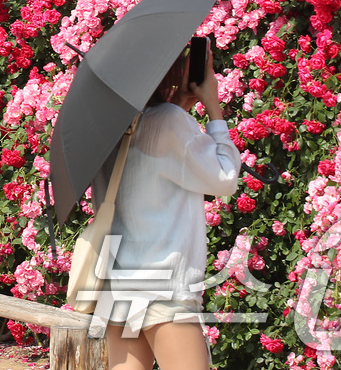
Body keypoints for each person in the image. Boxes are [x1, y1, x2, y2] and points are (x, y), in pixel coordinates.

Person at [100, 43, 240, 370]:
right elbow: (225, 179)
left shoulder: (114, 126)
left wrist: (178, 106)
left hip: (119, 286)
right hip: (163, 289)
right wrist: (213, 109)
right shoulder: (168, 121)